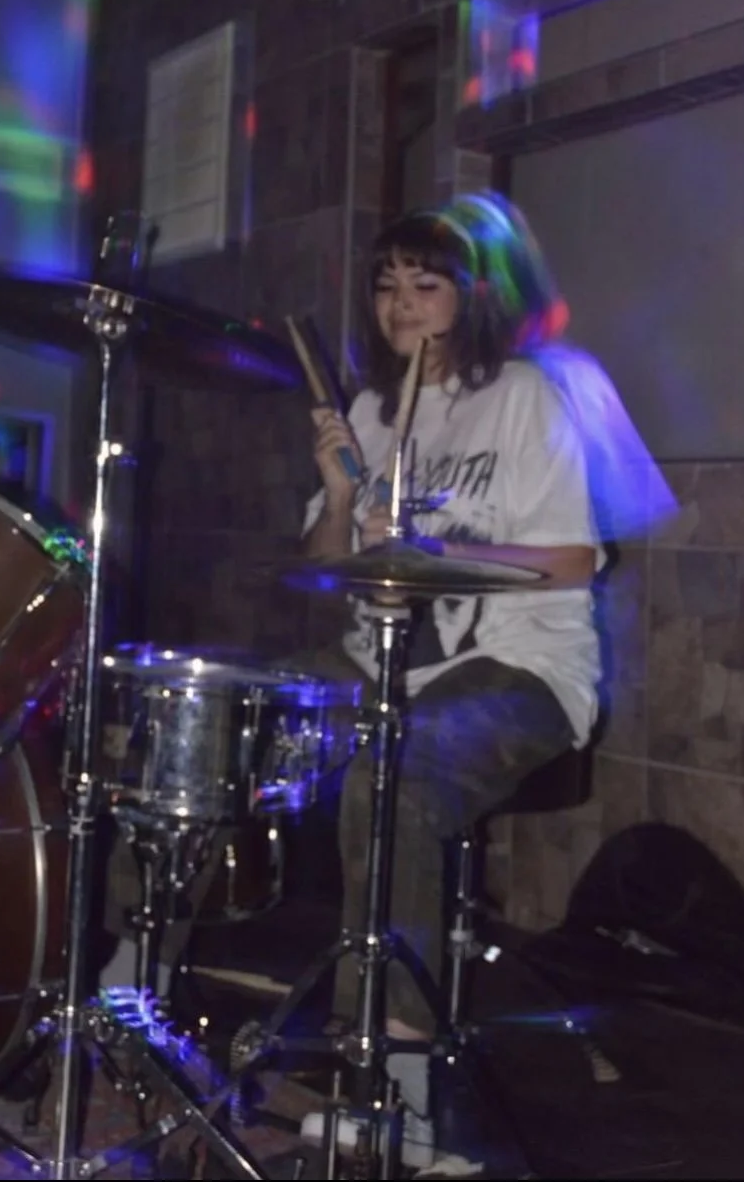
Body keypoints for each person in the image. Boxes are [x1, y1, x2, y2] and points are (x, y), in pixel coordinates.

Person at [298, 194, 606, 1177]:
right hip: (381, 662)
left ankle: (398, 1087)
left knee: (392, 775)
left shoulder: (523, 395)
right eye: (386, 286)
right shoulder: (368, 412)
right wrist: (340, 494)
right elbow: (324, 566)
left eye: (423, 285)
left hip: (523, 665)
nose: (400, 304)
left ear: (469, 297)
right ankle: (132, 989)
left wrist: (433, 552)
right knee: (229, 723)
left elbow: (570, 560)